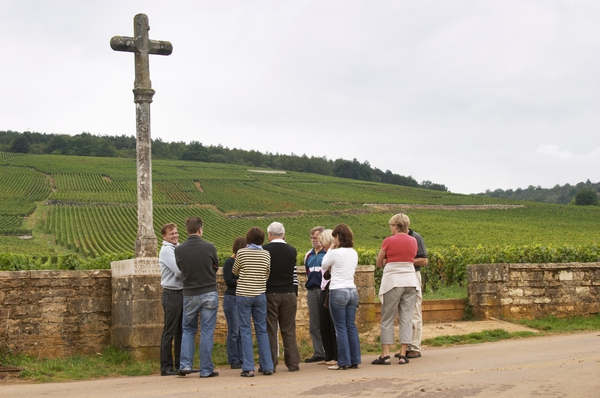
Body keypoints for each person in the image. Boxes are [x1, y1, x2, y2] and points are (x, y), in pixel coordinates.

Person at [175, 216, 219, 378]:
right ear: (200, 229)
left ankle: (185, 364)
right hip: (209, 292)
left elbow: (181, 268)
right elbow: (215, 266)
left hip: (189, 293)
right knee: (207, 331)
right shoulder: (209, 247)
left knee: (188, 329)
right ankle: (206, 369)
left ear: (187, 231)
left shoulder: (179, 250)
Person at [372, 213, 419, 365]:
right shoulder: (413, 240)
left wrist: (386, 261)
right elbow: (411, 258)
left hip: (393, 281)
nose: (390, 228)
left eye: (391, 226)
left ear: (396, 226)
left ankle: (385, 354)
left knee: (387, 318)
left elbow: (379, 262)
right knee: (406, 318)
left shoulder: (388, 241)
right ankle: (403, 353)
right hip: (410, 281)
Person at [232, 227, 274, 377]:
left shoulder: (242, 252)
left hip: (243, 294)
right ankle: (267, 366)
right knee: (261, 330)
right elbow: (267, 272)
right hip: (260, 294)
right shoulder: (266, 254)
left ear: (248, 238)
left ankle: (248, 367)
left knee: (245, 330)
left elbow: (235, 271)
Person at [321, 223, 361, 370]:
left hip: (338, 290)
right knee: (351, 326)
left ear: (337, 237)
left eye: (334, 238)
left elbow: (324, 265)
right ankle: (355, 359)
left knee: (340, 327)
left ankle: (343, 361)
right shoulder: (353, 252)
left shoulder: (336, 253)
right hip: (352, 290)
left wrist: (331, 249)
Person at [263, 222, 301, 372]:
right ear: (283, 234)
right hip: (289, 293)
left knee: (271, 329)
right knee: (289, 329)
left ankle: (270, 364)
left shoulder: (265, 250)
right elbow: (294, 274)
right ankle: (293, 363)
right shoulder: (292, 250)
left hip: (270, 293)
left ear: (270, 234)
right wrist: (295, 292)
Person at [159, 223, 182, 376]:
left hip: (181, 293)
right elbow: (179, 271)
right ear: (164, 236)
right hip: (172, 294)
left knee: (180, 331)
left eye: (176, 232)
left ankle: (180, 364)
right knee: (170, 331)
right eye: (171, 234)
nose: (175, 235)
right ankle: (166, 367)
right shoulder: (167, 251)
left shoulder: (177, 248)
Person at [222, 236, 246, 370]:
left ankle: (242, 357)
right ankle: (234, 359)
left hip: (242, 298)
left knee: (243, 330)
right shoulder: (229, 262)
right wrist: (241, 280)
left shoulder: (244, 262)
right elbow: (228, 281)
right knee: (234, 330)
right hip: (232, 298)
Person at [303, 226, 326, 363]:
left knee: (327, 321)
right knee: (314, 323)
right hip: (312, 291)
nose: (313, 240)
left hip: (324, 290)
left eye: (315, 237)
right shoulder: (308, 255)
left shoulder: (327, 253)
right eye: (311, 237)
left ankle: (330, 351)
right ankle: (318, 352)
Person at [405, 227, 429, 359]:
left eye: (391, 226)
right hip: (402, 276)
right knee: (404, 313)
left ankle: (415, 347)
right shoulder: (397, 239)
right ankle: (407, 346)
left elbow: (424, 260)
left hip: (413, 274)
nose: (390, 229)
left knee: (414, 310)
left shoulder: (416, 237)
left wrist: (405, 261)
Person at [317, 229, 337, 365]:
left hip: (331, 290)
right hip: (324, 289)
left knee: (332, 324)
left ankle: (335, 355)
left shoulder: (333, 253)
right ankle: (328, 355)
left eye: (323, 242)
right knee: (323, 324)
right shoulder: (326, 253)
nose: (321, 245)